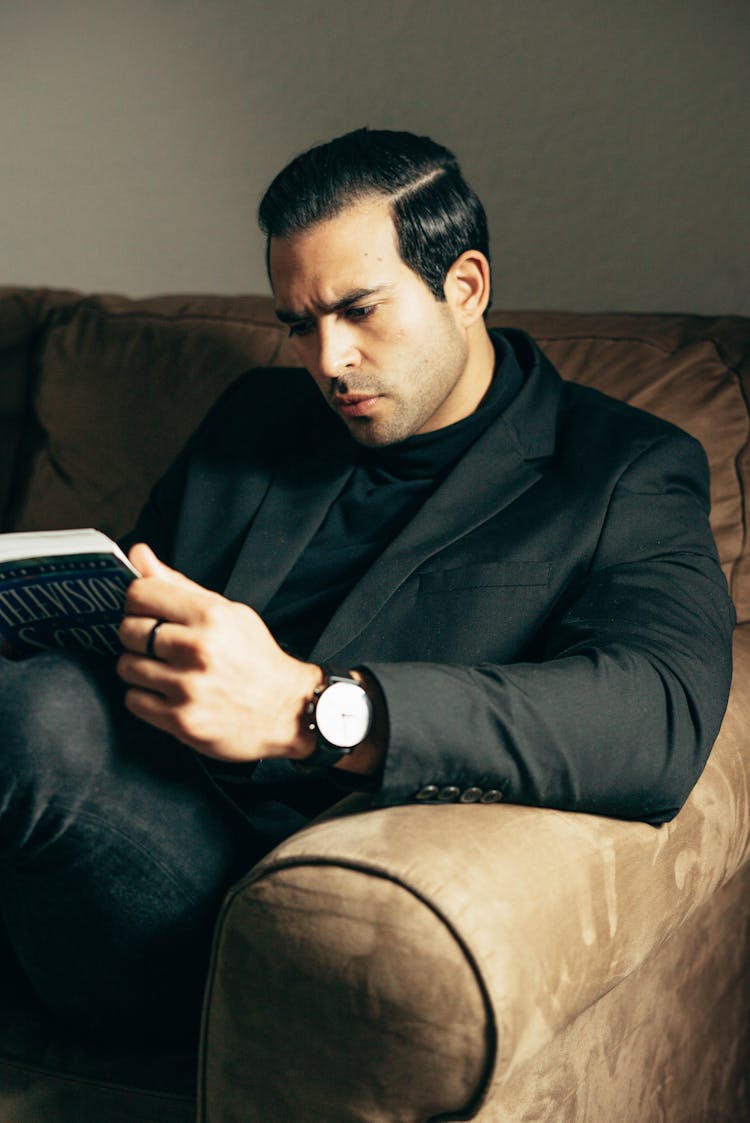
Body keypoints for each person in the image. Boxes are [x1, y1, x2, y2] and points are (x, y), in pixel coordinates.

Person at [0, 128, 734, 1046]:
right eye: (298, 323)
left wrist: (313, 708)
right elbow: (130, 607)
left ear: (464, 286)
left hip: (282, 894)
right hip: (108, 808)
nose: (327, 360)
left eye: (358, 311)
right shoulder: (259, 416)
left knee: (28, 716)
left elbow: (657, 714)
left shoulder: (621, 469)